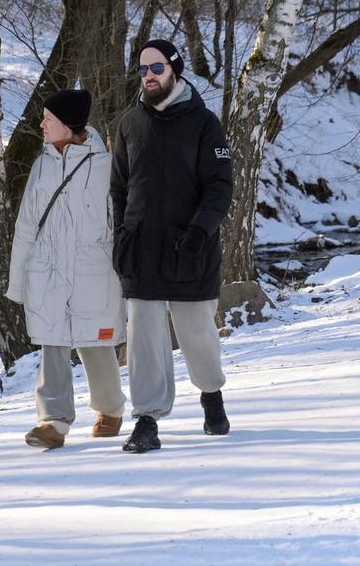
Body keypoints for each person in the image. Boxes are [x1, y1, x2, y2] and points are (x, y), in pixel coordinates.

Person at [110, 38, 234, 453]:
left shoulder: (204, 123)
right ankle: (147, 419)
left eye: (157, 68)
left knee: (196, 332)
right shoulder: (129, 123)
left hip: (190, 246)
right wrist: (121, 236)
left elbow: (219, 186)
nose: (148, 76)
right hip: (141, 249)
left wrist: (201, 230)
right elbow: (119, 189)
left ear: (174, 71)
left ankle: (211, 393)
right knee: (143, 337)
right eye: (143, 69)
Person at [7, 88, 127, 449]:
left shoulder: (107, 166)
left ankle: (110, 408)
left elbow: (123, 224)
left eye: (49, 118)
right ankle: (53, 421)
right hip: (47, 269)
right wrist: (19, 281)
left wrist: (128, 272)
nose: (41, 124)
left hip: (95, 269)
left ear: (69, 124)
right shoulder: (41, 165)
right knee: (52, 341)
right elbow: (26, 226)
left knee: (97, 342)